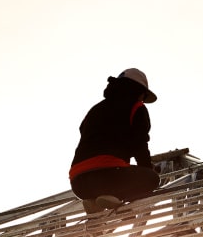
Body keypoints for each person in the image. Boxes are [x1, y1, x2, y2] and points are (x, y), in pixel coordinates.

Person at [69, 68, 161, 213]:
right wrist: (147, 168)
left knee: (112, 179)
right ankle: (115, 197)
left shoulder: (95, 109)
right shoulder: (136, 107)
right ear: (139, 91)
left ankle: (94, 201)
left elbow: (84, 132)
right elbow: (140, 143)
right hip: (110, 175)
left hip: (78, 182)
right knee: (151, 179)